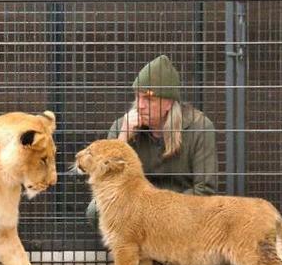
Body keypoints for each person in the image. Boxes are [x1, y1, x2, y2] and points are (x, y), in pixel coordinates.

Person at [86, 54, 218, 227]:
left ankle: (169, 251)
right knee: (96, 210)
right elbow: (106, 183)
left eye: (148, 99)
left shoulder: (200, 126)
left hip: (181, 208)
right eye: (137, 97)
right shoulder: (123, 125)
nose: (140, 105)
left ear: (169, 103)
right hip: (138, 206)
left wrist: (160, 209)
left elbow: (205, 190)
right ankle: (136, 251)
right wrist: (123, 138)